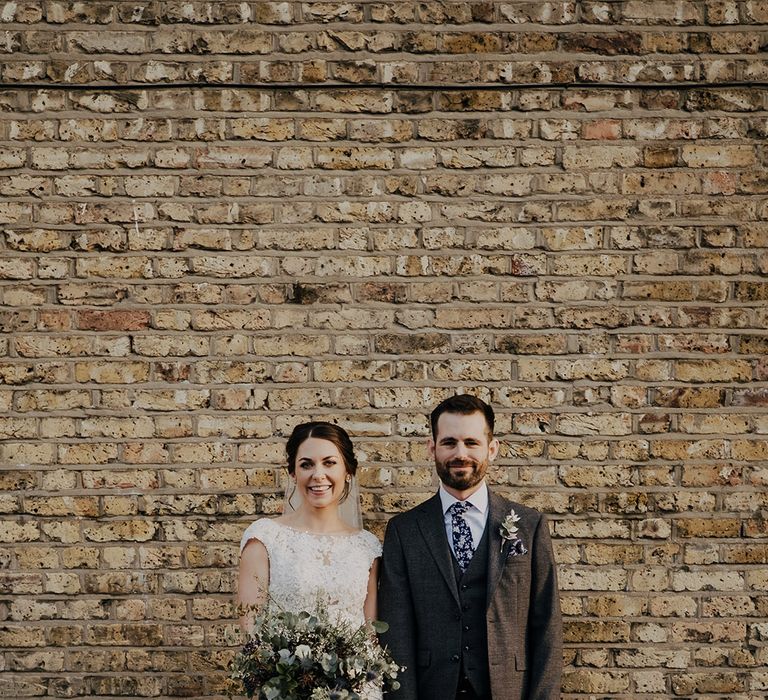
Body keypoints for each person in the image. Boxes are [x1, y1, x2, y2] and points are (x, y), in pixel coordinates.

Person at [379, 394, 562, 700]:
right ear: (432, 447)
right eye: (449, 442)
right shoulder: (404, 530)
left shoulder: (530, 526)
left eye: (471, 443)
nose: (460, 453)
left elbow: (548, 627)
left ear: (492, 448)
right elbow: (396, 633)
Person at [238, 421, 380, 632]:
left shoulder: (367, 546)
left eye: (329, 463)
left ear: (348, 471)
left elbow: (371, 633)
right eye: (306, 464)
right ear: (293, 474)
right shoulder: (265, 538)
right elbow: (251, 630)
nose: (318, 474)